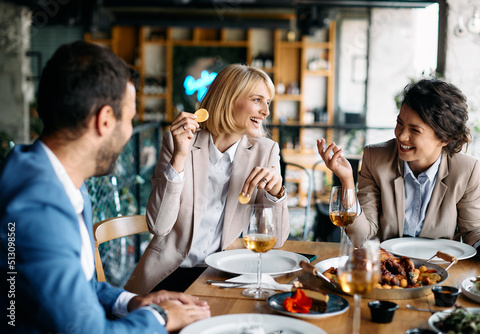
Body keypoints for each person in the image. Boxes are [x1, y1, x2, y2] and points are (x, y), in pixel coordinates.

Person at [0, 41, 210, 333]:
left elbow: (82, 285)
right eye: (130, 119)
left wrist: (133, 302)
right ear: (105, 120)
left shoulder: (58, 178)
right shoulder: (37, 209)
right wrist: (161, 318)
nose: (130, 131)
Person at [125, 64, 290, 294]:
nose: (266, 112)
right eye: (257, 100)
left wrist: (276, 193)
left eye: (268, 103)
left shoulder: (266, 151)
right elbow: (158, 226)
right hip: (169, 274)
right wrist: (179, 156)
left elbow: (278, 239)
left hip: (224, 275)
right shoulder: (178, 142)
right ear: (229, 99)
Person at [317, 78, 480, 259]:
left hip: (441, 272)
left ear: (444, 138)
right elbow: (361, 237)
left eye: (415, 130)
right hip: (387, 270)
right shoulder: (375, 158)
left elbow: (473, 230)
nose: (401, 136)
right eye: (399, 124)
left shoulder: (467, 171)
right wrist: (347, 181)